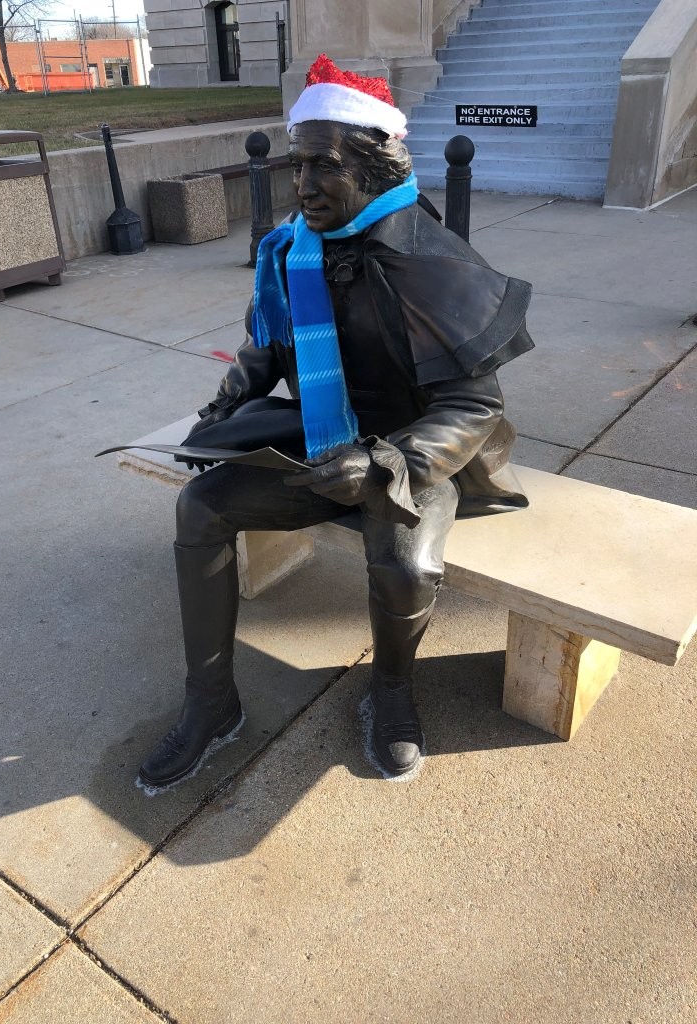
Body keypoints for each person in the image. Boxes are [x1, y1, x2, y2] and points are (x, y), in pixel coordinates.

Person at [137, 54, 534, 789]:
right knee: (200, 505)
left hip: (411, 456)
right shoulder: (296, 249)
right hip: (322, 442)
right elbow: (268, 342)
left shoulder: (429, 259)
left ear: (373, 167)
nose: (304, 185)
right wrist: (231, 397)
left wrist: (389, 464)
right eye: (298, 165)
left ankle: (392, 692)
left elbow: (476, 405)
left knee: (407, 565)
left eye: (324, 166)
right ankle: (211, 700)